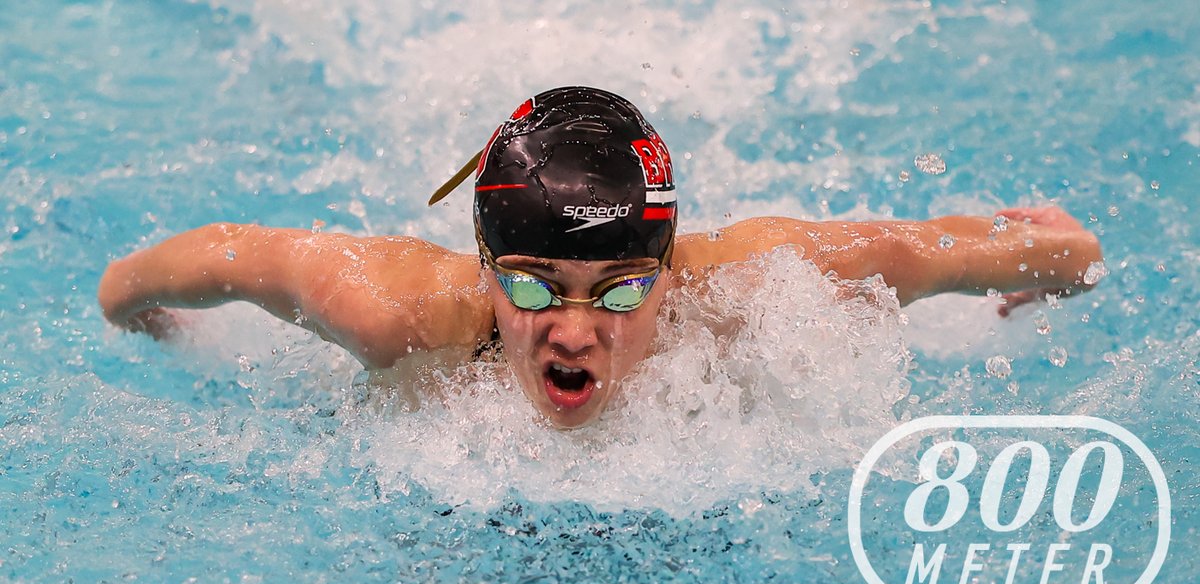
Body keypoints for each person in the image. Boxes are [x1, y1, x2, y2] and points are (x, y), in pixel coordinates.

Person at [97, 86, 1103, 428]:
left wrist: (1042, 260)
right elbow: (207, 260)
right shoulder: (393, 310)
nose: (573, 332)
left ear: (670, 272)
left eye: (620, 291)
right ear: (483, 265)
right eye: (533, 286)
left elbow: (996, 252)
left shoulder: (760, 283)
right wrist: (152, 323)